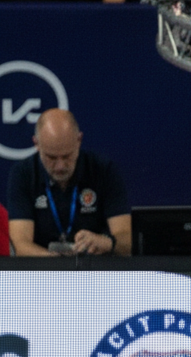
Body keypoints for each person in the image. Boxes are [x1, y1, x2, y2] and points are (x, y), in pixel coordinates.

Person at [6, 109, 131, 257]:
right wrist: (59, 266)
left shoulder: (104, 171)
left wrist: (106, 242)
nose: (60, 166)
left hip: (96, 271)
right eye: (51, 157)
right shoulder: (23, 174)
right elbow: (20, 245)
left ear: (79, 140)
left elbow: (127, 242)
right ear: (36, 144)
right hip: (43, 273)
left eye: (67, 156)